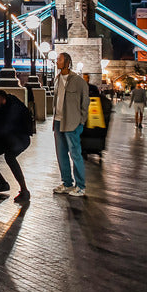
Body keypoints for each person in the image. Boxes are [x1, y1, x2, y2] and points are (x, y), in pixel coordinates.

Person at [0, 90, 32, 204]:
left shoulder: (13, 107)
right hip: (4, 138)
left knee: (9, 157)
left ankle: (24, 190)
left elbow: (1, 129)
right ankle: (2, 183)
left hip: (20, 138)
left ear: (3, 100)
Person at [52, 51, 90, 197]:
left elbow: (85, 102)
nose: (57, 62)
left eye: (59, 59)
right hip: (58, 122)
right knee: (61, 155)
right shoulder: (56, 79)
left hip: (72, 122)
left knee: (75, 155)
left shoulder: (78, 81)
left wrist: (81, 121)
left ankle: (80, 186)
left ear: (67, 62)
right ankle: (67, 183)